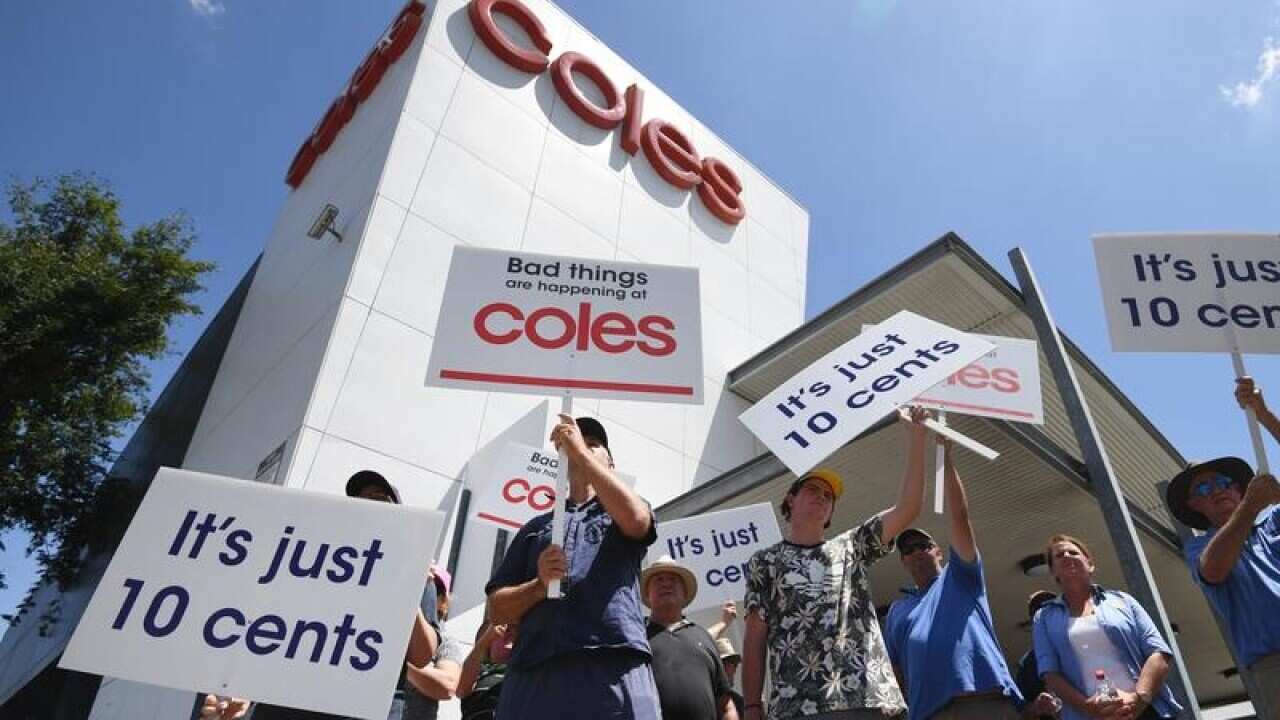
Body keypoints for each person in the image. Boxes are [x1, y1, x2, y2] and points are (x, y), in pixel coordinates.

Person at [202, 471, 445, 720]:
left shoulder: (415, 570)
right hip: (289, 702)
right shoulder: (310, 560)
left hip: (365, 705)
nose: (369, 504)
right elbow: (269, 626)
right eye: (359, 500)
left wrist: (405, 590)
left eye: (380, 499)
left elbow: (421, 655)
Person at [742, 407, 932, 720]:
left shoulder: (852, 546)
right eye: (812, 490)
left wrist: (916, 439)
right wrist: (751, 704)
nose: (822, 497)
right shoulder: (765, 561)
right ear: (790, 499)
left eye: (828, 496)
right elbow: (755, 634)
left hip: (868, 699)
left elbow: (908, 508)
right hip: (798, 706)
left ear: (831, 513)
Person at [485, 415, 661, 720]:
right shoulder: (535, 528)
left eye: (593, 444)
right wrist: (538, 586)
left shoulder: (621, 511)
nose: (582, 447)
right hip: (536, 677)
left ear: (611, 462)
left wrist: (578, 450)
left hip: (612, 670)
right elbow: (497, 610)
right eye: (574, 445)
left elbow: (637, 520)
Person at [1161, 376, 1280, 716]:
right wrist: (1251, 507)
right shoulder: (1201, 549)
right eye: (1202, 489)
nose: (1216, 489)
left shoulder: (1274, 524)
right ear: (1194, 507)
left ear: (1240, 489)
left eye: (1224, 482)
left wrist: (1263, 413)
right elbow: (1214, 569)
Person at [883, 439, 1024, 720]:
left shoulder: (961, 577)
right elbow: (895, 668)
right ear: (903, 562)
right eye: (908, 550)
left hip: (985, 703)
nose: (916, 552)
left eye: (923, 545)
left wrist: (945, 459)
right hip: (928, 713)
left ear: (939, 551)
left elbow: (959, 517)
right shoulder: (897, 611)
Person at [1032, 535, 1181, 720]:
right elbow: (1049, 673)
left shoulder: (1124, 601)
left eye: (1074, 552)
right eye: (1060, 555)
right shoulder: (1044, 618)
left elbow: (1159, 653)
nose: (1067, 556)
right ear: (1053, 571)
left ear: (1090, 564)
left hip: (1145, 711)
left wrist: (1138, 700)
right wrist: (1088, 707)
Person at [642, 554, 738, 720]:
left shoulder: (704, 637)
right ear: (647, 594)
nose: (666, 583)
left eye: (673, 579)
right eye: (658, 579)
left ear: (685, 593)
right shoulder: (636, 638)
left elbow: (725, 705)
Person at [403, 566, 465, 719]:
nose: (422, 592)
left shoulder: (445, 643)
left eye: (431, 588)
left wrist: (399, 668)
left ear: (443, 600)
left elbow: (447, 686)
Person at [1015, 591, 1062, 720]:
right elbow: (1021, 711)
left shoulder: (1082, 647)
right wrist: (1037, 707)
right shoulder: (1028, 663)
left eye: (1051, 611)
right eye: (1038, 612)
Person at [457, 621, 515, 720]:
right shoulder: (481, 670)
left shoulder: (526, 673)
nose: (508, 636)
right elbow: (461, 690)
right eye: (504, 631)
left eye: (513, 632)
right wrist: (486, 637)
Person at [717, 638, 746, 719]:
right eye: (731, 662)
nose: (734, 669)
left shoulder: (739, 702)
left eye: (735, 664)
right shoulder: (704, 699)